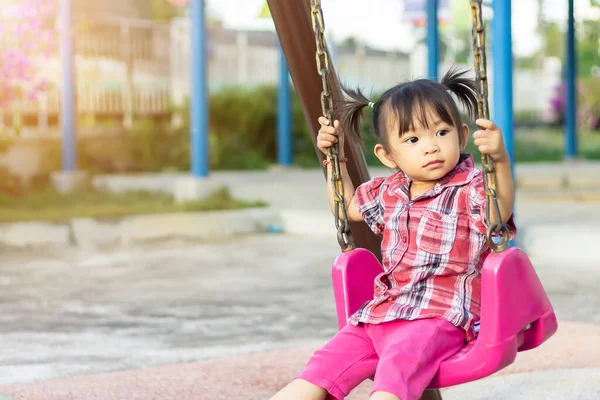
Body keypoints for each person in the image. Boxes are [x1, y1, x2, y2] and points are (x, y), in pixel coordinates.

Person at [269, 68, 516, 400]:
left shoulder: (470, 186)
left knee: (394, 377)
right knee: (319, 371)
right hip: (381, 314)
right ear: (387, 156)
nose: (431, 147)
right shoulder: (389, 191)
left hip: (437, 318)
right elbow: (347, 208)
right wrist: (335, 161)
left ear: (462, 135)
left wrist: (498, 161)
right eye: (413, 139)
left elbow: (497, 210)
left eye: (442, 133)